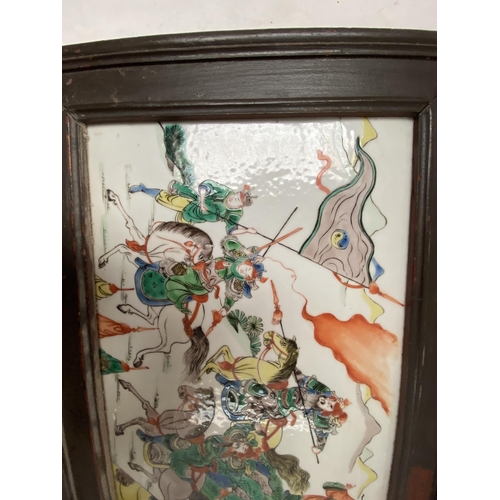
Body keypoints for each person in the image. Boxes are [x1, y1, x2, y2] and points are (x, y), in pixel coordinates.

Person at [129, 179, 257, 235]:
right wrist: (202, 201)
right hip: (190, 203)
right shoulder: (225, 191)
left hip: (193, 218)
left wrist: (246, 231)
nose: (232, 197)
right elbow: (206, 185)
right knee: (165, 198)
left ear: (239, 206)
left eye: (236, 200)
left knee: (175, 230)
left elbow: (231, 230)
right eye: (235, 194)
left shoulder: (235, 214)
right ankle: (143, 189)